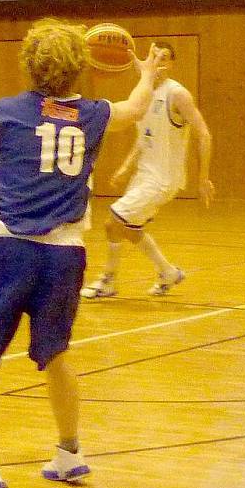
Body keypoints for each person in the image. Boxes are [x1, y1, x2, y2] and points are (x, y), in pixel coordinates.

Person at [0, 18, 163, 488]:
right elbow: (137, 107)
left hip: (8, 251)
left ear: (29, 63)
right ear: (79, 67)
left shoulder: (1, 113)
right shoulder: (96, 114)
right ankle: (69, 453)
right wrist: (145, 72)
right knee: (55, 354)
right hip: (65, 255)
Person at [80, 41, 214, 299]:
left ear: (172, 64)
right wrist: (127, 166)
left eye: (164, 58)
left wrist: (203, 177)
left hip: (163, 179)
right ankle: (168, 272)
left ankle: (108, 280)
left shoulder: (177, 95)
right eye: (155, 57)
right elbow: (144, 137)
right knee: (130, 228)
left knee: (112, 222)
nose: (159, 62)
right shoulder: (144, 93)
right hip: (145, 175)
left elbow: (204, 133)